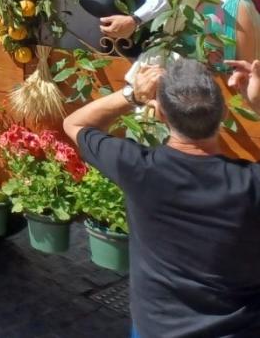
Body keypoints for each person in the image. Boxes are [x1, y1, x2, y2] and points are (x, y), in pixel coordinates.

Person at [65, 58, 260, 338]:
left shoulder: (137, 168)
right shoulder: (251, 184)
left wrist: (132, 95)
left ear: (159, 115)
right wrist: (257, 103)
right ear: (224, 113)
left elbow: (75, 123)